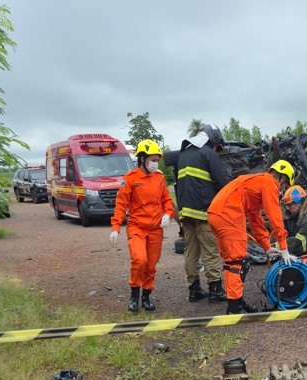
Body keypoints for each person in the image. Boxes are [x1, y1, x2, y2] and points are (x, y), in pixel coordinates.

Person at [207, 160, 294, 314]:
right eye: (284, 187)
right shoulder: (269, 183)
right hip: (229, 215)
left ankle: (236, 300)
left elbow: (256, 219)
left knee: (230, 261)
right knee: (239, 261)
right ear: (282, 180)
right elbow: (275, 216)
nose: (282, 191)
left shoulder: (258, 182)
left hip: (215, 214)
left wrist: (267, 247)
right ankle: (234, 307)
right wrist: (284, 247)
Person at [110, 139, 175, 312]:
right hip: (137, 227)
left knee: (151, 265)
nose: (155, 163)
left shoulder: (159, 178)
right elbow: (121, 204)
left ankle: (146, 296)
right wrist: (116, 228)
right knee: (139, 260)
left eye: (157, 160)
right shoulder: (131, 179)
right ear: (142, 159)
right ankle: (134, 295)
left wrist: (168, 214)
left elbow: (167, 200)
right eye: (152, 159)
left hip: (155, 229)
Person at [175, 124, 232, 303]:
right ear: (213, 139)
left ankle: (194, 290)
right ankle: (215, 289)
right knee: (210, 250)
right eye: (217, 147)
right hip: (202, 211)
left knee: (190, 251)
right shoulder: (207, 153)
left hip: (185, 212)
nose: (217, 150)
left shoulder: (183, 154)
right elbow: (224, 182)